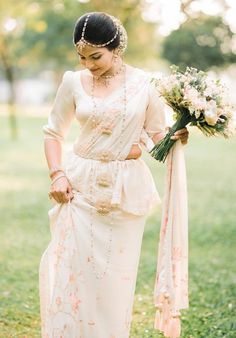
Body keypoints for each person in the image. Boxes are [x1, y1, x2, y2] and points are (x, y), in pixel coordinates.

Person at [39, 12, 189, 338]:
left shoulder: (145, 84)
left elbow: (156, 136)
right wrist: (57, 175)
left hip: (124, 193)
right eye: (81, 57)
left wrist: (177, 134)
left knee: (115, 279)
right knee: (74, 273)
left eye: (95, 56)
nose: (88, 64)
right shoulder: (72, 82)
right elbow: (53, 134)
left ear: (116, 48)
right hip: (79, 189)